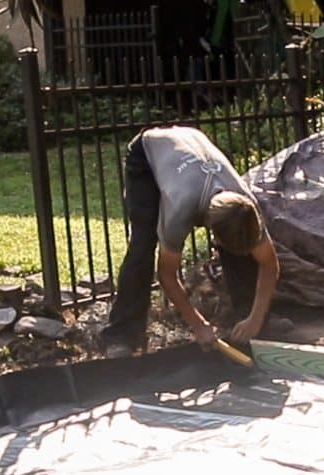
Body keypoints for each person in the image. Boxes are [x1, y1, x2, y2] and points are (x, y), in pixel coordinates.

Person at [101, 126, 280, 358]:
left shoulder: (246, 208)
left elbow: (269, 263)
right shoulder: (181, 209)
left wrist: (256, 318)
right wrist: (198, 324)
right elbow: (166, 274)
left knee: (241, 248)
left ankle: (249, 321)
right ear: (213, 234)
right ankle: (121, 334)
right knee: (142, 246)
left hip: (191, 145)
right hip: (148, 154)